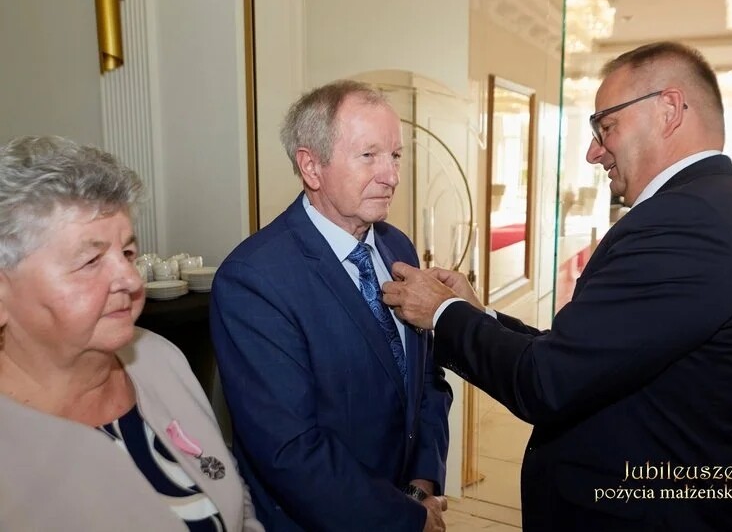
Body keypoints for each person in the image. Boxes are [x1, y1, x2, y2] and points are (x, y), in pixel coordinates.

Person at [383, 42, 732, 531]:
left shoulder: (688, 223)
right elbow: (589, 355)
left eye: (606, 126)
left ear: (669, 110)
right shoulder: (707, 209)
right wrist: (476, 313)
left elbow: (548, 381)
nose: (593, 152)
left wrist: (443, 312)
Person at [210, 80, 452, 531]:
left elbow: (427, 380)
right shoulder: (254, 279)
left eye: (395, 155)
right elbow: (290, 450)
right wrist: (405, 518)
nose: (392, 175)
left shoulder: (398, 247)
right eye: (369, 155)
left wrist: (422, 487)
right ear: (311, 167)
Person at [0, 136, 263, 531]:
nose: (129, 279)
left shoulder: (158, 358)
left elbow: (235, 499)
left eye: (126, 253)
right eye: (90, 261)